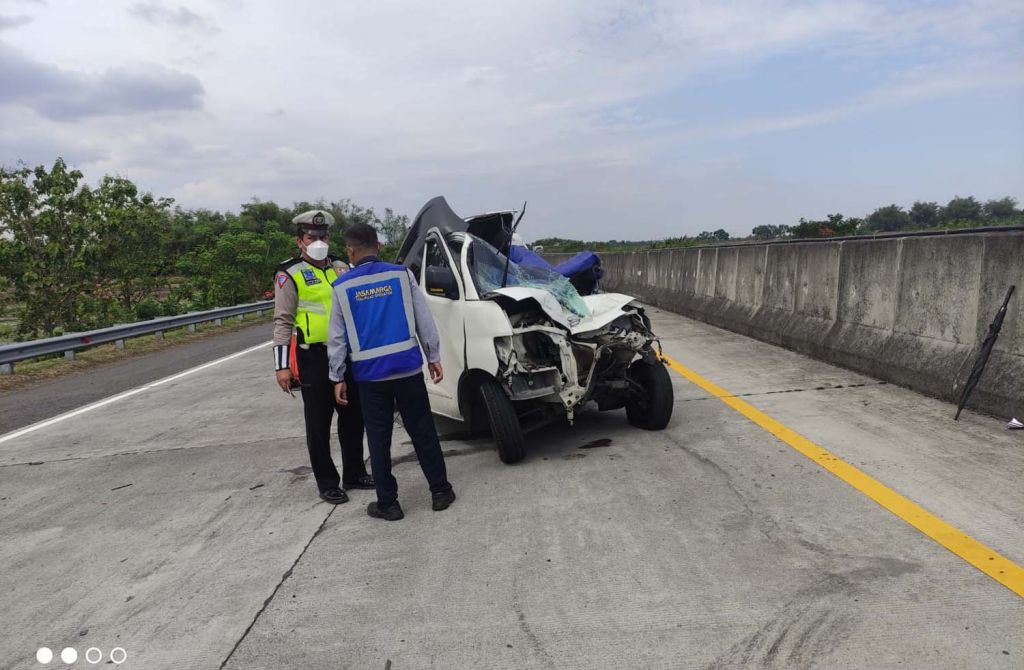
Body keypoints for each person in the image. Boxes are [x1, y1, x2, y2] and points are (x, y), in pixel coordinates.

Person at [326, 222, 455, 521]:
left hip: (370, 377)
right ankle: (439, 491)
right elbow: (424, 317)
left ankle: (389, 503)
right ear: (379, 246)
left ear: (350, 252)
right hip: (407, 368)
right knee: (423, 431)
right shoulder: (401, 274)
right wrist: (433, 354)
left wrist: (337, 376)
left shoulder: (342, 287)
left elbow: (336, 337)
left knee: (378, 439)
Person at [272, 209, 374, 504]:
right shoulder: (289, 274)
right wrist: (281, 367)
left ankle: (355, 473)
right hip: (313, 358)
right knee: (318, 423)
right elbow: (282, 321)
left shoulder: (342, 267)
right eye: (312, 236)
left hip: (347, 355)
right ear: (300, 242)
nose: (319, 240)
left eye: (324, 236)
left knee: (353, 418)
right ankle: (328, 482)